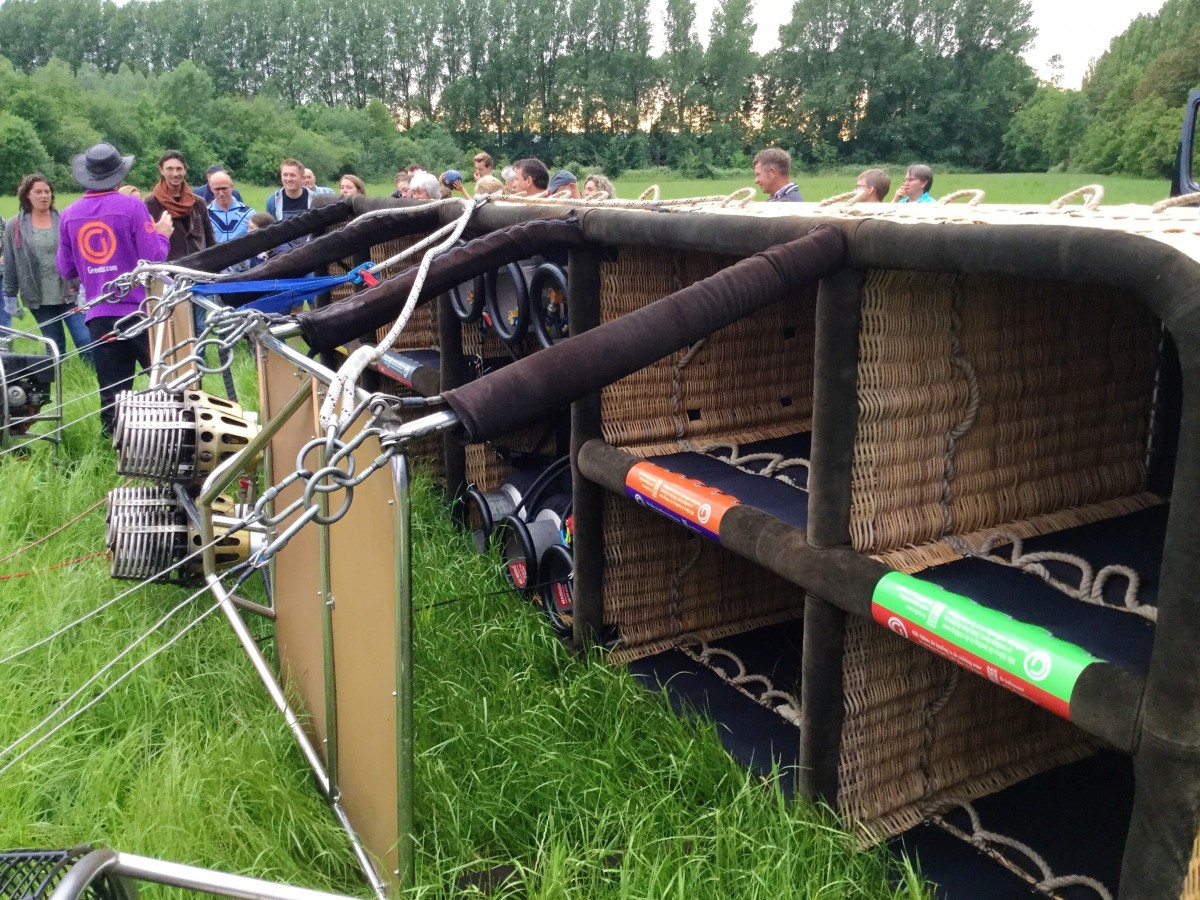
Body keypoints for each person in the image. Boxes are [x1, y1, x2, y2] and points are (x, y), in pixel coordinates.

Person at [57, 142, 172, 437]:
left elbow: (66, 270)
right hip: (139, 310)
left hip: (99, 314)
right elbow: (153, 259)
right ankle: (170, 440)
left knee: (112, 390)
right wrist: (162, 235)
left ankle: (113, 445)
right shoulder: (132, 206)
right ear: (118, 175)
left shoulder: (69, 214)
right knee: (165, 381)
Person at [3, 174, 92, 364]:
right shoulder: (15, 226)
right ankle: (56, 377)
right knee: (54, 344)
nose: (44, 196)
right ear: (27, 195)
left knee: (85, 339)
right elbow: (10, 262)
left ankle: (96, 375)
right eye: (38, 192)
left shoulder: (64, 218)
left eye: (47, 191)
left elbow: (81, 253)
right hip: (38, 295)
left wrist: (86, 285)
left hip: (70, 292)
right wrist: (10, 295)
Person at [144, 150, 215, 259]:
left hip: (198, 265)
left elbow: (210, 240)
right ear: (161, 170)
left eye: (179, 169)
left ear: (185, 170)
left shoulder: (198, 203)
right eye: (170, 169)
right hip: (167, 266)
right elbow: (146, 241)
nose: (175, 174)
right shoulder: (151, 203)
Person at [206, 168, 255, 244]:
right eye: (217, 189)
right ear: (211, 189)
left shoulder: (248, 213)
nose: (221, 193)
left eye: (224, 189)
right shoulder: (206, 214)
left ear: (232, 187)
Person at [265, 158, 313, 228]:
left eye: (292, 175)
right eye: (285, 175)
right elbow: (268, 229)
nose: (288, 179)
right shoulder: (272, 202)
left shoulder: (314, 199)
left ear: (302, 178)